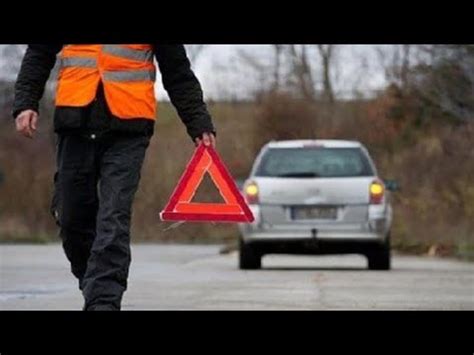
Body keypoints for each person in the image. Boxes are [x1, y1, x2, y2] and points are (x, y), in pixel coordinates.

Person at [13, 44, 216, 311]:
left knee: (113, 215)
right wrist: (26, 102)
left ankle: (104, 302)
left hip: (129, 127)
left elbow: (177, 71)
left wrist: (198, 122)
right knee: (71, 215)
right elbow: (39, 54)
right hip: (75, 123)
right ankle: (96, 285)